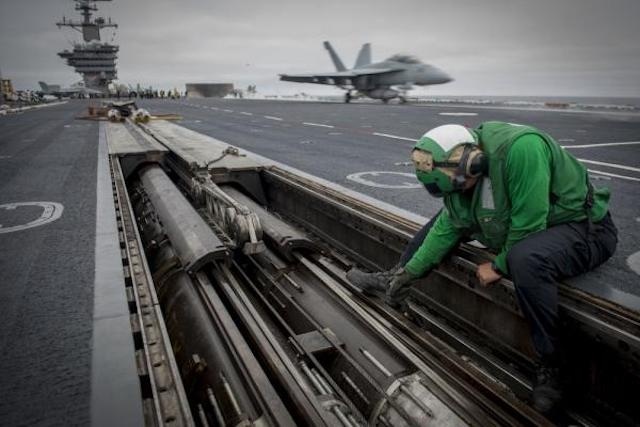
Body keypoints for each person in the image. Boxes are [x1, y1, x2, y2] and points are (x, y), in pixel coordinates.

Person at [347, 121, 617, 414]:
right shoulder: (458, 170)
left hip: (582, 228)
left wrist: (499, 266)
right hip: (521, 223)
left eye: (458, 185)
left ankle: (553, 364)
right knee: (442, 220)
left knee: (524, 259)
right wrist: (408, 274)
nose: (457, 193)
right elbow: (448, 227)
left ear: (474, 164)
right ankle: (391, 278)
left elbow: (530, 223)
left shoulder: (522, 149)